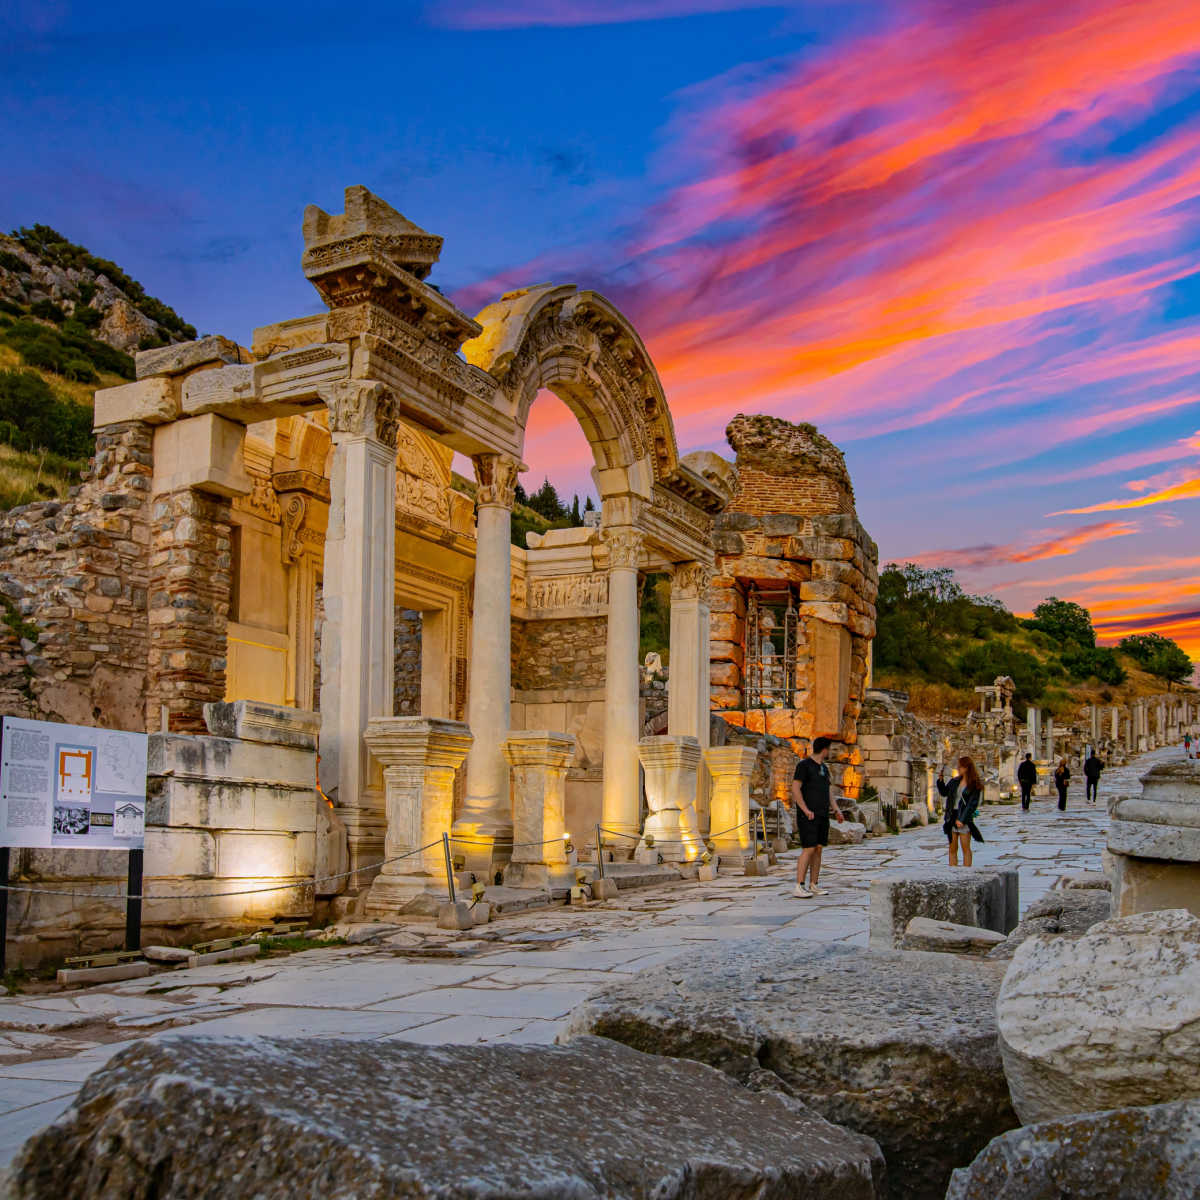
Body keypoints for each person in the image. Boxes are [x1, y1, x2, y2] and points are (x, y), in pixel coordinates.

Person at [791, 736, 845, 898]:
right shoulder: (804, 765)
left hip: (822, 814)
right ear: (824, 749)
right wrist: (805, 809)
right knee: (809, 848)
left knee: (819, 848)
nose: (830, 752)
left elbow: (828, 791)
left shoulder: (824, 768)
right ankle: (799, 885)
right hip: (808, 814)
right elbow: (795, 788)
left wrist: (836, 810)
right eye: (829, 749)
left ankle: (814, 884)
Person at [944, 755, 984, 867]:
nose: (958, 769)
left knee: (965, 848)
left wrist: (962, 819)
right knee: (952, 848)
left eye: (960, 767)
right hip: (952, 815)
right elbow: (945, 792)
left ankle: (966, 875)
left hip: (964, 816)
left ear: (966, 767)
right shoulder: (955, 781)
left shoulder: (974, 784)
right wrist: (940, 781)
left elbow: (972, 805)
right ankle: (953, 874)